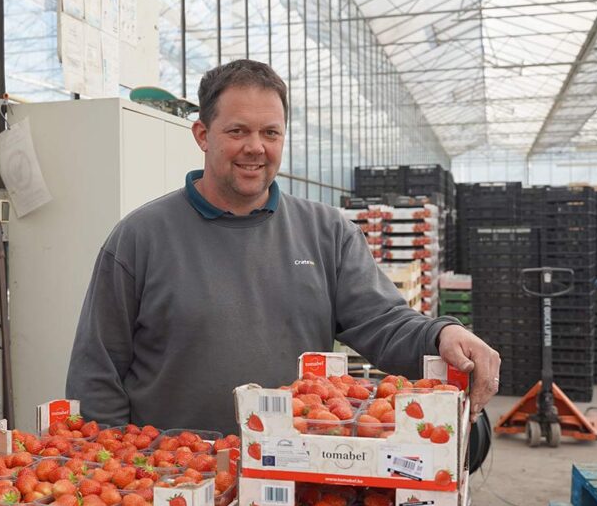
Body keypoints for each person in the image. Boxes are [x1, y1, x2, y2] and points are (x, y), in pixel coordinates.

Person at [67, 59, 499, 435]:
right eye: (237, 131)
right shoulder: (141, 238)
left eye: (270, 133)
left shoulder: (326, 231)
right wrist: (118, 470)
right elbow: (97, 371)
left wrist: (442, 332)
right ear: (202, 134)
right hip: (178, 477)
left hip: (291, 471)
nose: (256, 147)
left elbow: (382, 322)